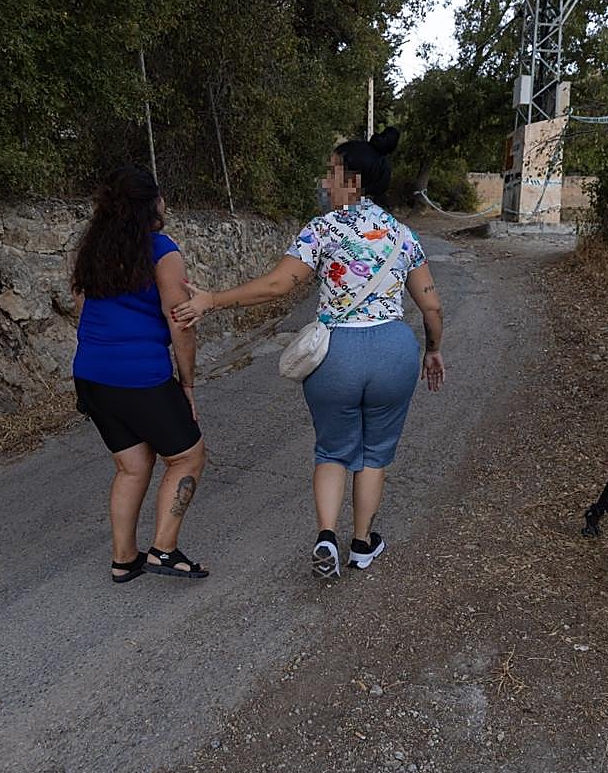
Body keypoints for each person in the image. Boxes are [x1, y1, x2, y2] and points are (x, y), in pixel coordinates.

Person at [172, 128, 444, 578]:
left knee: (333, 450)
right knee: (375, 452)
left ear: (352, 182)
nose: (324, 182)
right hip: (393, 351)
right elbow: (431, 306)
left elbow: (280, 285)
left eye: (331, 173)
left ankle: (325, 538)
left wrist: (212, 300)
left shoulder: (321, 230)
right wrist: (432, 350)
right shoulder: (404, 236)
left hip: (336, 352)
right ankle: (361, 544)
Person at [71, 165, 209, 583]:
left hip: (91, 373)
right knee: (188, 456)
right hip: (139, 376)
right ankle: (163, 551)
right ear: (153, 203)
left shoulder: (92, 248)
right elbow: (179, 321)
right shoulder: (161, 251)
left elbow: (81, 308)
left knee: (132, 466)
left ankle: (124, 558)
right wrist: (186, 383)